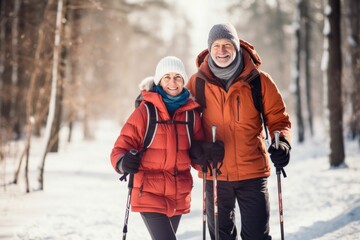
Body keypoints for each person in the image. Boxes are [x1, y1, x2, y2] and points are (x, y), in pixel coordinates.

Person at [187, 23, 292, 240]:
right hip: (215, 172)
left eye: (227, 45)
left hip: (252, 173)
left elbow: (278, 118)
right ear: (209, 49)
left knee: (257, 236)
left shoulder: (258, 81)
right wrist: (199, 150)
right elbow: (180, 119)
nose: (222, 51)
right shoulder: (196, 83)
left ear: (236, 46)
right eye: (216, 45)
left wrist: (282, 142)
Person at [110, 56, 205, 240]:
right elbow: (118, 150)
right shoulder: (145, 112)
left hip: (178, 193)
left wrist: (205, 155)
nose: (172, 82)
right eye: (167, 77)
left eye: (177, 77)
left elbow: (200, 159)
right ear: (159, 80)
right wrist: (124, 162)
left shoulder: (191, 115)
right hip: (149, 192)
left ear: (184, 81)